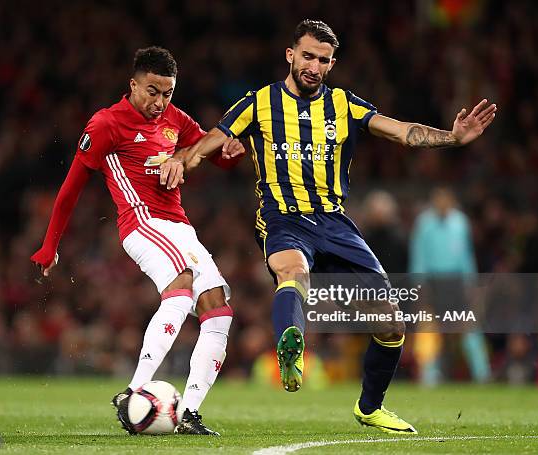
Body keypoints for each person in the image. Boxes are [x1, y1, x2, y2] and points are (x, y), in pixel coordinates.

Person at [161, 20, 496, 434]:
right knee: (292, 271)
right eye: (307, 56)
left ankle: (370, 407)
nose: (314, 66)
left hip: (336, 224)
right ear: (291, 55)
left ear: (331, 63)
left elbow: (401, 132)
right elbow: (211, 140)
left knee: (392, 324)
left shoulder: (344, 105)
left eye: (323, 60)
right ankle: (292, 348)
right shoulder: (259, 102)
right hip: (283, 218)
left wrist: (452, 137)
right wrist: (182, 159)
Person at [31, 46, 244, 436]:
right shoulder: (106, 124)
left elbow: (214, 155)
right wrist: (50, 245)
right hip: (141, 222)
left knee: (218, 308)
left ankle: (190, 414)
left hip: (180, 226)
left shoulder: (174, 119)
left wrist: (230, 151)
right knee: (180, 286)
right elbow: (70, 190)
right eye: (152, 91)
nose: (159, 102)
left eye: (167, 93)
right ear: (132, 85)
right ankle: (132, 392)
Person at [410, 188, 491, 385]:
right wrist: (419, 283)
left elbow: (466, 254)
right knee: (428, 329)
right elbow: (418, 254)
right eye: (439, 201)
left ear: (452, 201)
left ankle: (483, 374)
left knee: (469, 326)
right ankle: (428, 376)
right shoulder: (424, 222)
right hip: (433, 282)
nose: (442, 205)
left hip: (456, 281)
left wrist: (471, 282)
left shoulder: (460, 222)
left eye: (446, 201)